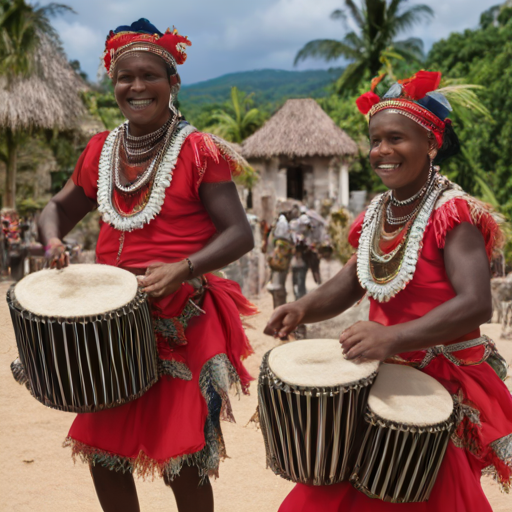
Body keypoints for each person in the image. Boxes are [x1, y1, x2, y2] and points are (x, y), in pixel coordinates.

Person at [264, 70, 512, 511]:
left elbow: (476, 303)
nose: (381, 151)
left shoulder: (453, 213)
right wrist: (302, 307)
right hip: (381, 370)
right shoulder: (379, 210)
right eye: (376, 141)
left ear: (432, 145)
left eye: (396, 139)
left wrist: (393, 336)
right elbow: (351, 280)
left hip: (440, 381)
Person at [37, 19, 256, 512]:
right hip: (111, 322)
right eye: (124, 77)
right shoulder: (100, 150)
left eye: (149, 76)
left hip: (183, 317)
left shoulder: (199, 151)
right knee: (105, 455)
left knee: (183, 458)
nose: (136, 87)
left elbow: (239, 233)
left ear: (172, 83)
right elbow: (57, 211)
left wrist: (183, 267)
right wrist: (52, 242)